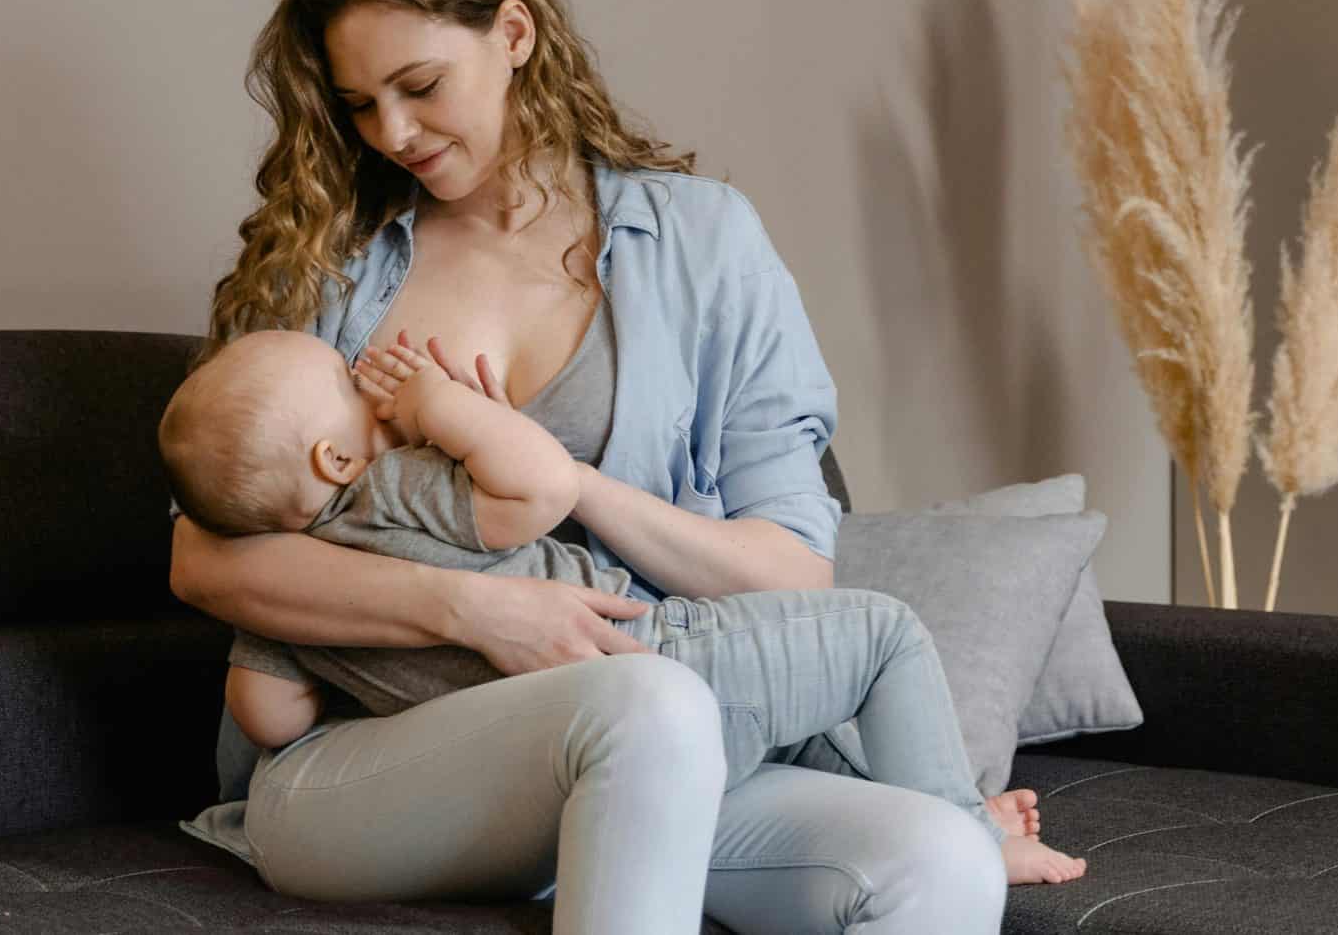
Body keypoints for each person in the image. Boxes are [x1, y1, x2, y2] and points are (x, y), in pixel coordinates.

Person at [166, 0, 1023, 933]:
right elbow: (205, 560)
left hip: (653, 746)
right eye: (360, 105)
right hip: (370, 763)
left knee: (943, 860)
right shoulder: (325, 264)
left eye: (420, 85)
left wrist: (572, 483)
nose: (393, 131)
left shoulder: (704, 243)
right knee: (647, 704)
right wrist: (476, 612)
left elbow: (792, 573)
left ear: (514, 33)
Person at [157, 324, 1086, 886]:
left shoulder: (286, 598)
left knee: (807, 724)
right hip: (656, 652)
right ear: (334, 459)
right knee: (882, 633)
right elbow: (542, 486)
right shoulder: (394, 485)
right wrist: (441, 407)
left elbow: (268, 713)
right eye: (347, 379)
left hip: (535, 752)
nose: (369, 380)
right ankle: (968, 829)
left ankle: (927, 803)